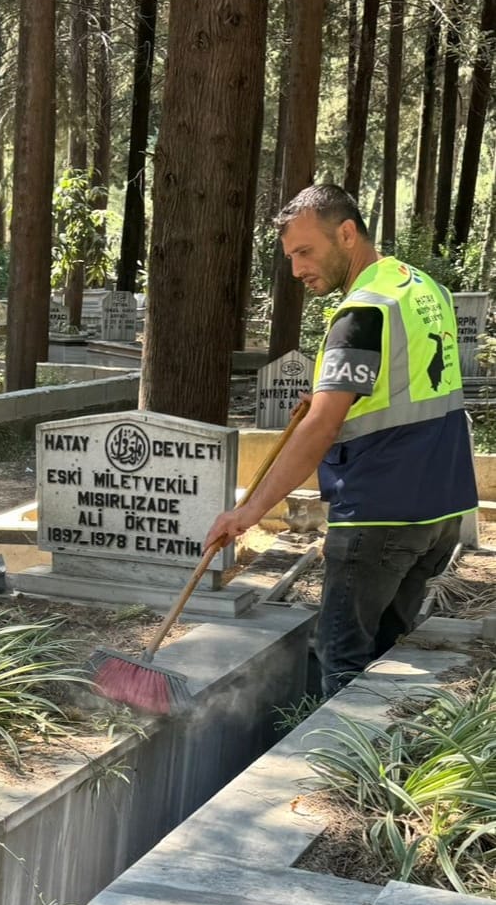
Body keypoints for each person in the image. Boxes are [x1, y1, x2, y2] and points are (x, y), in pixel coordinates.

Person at [205, 184, 478, 696]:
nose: (296, 269)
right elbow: (411, 383)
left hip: (381, 508)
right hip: (442, 505)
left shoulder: (364, 310)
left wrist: (248, 512)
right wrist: (331, 397)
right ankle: (384, 762)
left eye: (305, 251)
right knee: (390, 649)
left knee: (341, 654)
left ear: (347, 234)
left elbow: (322, 428)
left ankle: (337, 770)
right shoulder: (421, 288)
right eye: (290, 257)